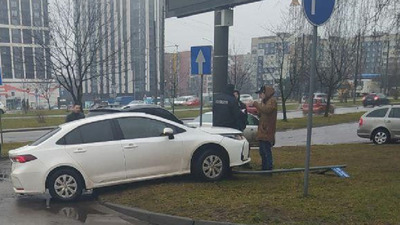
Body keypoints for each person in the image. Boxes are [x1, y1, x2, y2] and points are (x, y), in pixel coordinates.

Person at [252, 85, 277, 171]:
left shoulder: (272, 101)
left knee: (266, 151)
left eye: (261, 94)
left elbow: (267, 110)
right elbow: (263, 113)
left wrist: (256, 104)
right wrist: (257, 113)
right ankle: (264, 167)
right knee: (262, 151)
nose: (260, 96)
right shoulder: (264, 101)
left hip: (267, 130)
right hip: (262, 130)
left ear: (265, 93)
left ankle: (268, 168)